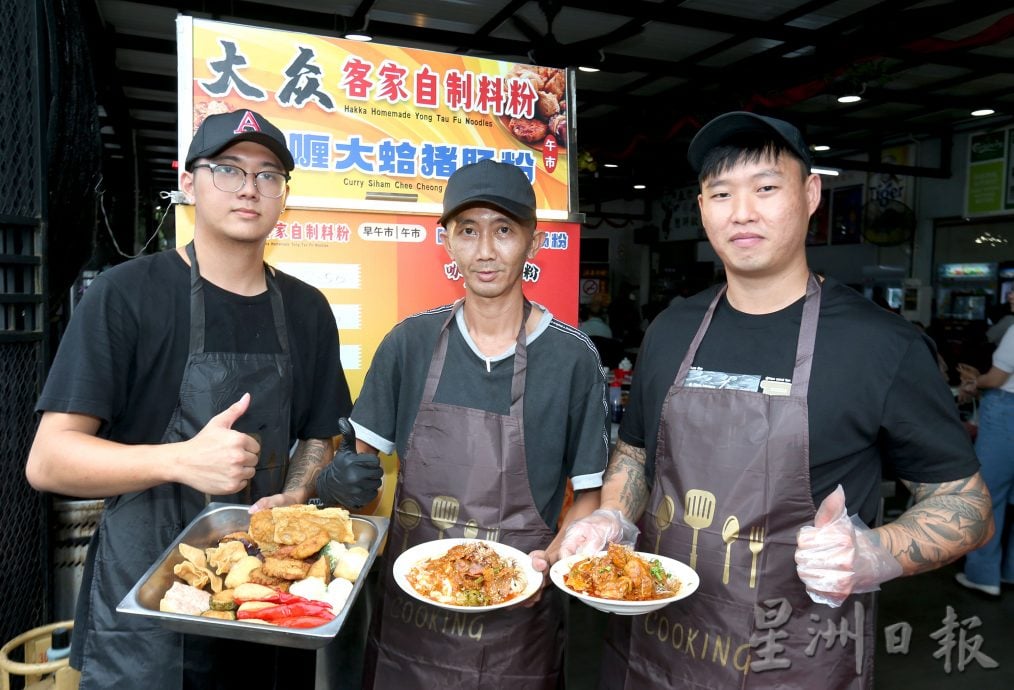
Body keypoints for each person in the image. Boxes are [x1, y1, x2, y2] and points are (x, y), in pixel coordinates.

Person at [558, 112, 993, 688]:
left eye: (765, 188)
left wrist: (877, 552)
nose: (742, 212)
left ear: (811, 194)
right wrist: (612, 514)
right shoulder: (671, 329)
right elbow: (636, 453)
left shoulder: (880, 343)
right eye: (721, 193)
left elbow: (966, 506)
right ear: (703, 206)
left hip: (795, 656)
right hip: (654, 647)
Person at [24, 109, 377, 689]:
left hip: (263, 595)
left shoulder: (307, 308)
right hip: (146, 596)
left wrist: (293, 495)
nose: (249, 188)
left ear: (283, 195)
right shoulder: (126, 294)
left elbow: (319, 432)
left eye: (269, 175)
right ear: (188, 182)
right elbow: (49, 460)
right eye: (229, 169)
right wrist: (180, 460)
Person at [326, 158, 609, 689]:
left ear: (534, 241)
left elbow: (589, 495)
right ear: (447, 242)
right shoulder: (408, 344)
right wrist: (342, 483)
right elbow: (361, 475)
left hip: (519, 622)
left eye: (504, 230)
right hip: (412, 621)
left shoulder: (573, 359)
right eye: (468, 230)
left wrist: (557, 555)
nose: (485, 250)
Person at [955, 325, 1014, 596]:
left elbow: (998, 378)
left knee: (986, 496)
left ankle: (983, 574)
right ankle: (1010, 571)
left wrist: (974, 383)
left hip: (1006, 411)